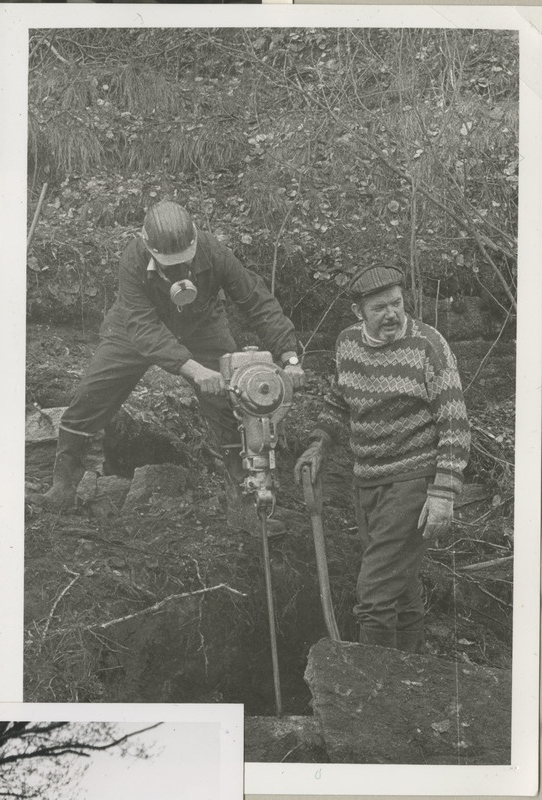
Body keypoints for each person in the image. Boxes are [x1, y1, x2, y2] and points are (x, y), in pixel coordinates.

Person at [40, 200, 305, 532]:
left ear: (194, 241)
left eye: (185, 263)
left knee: (233, 405)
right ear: (149, 247)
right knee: (91, 395)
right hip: (133, 327)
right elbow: (144, 330)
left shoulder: (214, 251)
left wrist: (289, 357)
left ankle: (245, 507)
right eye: (170, 266)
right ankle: (62, 488)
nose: (179, 272)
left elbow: (257, 301)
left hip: (202, 325)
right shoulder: (133, 259)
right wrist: (194, 370)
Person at [295, 265, 470, 652]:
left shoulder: (429, 345)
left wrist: (443, 493)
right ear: (360, 313)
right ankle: (408, 684)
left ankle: (368, 693)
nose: (392, 314)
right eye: (379, 308)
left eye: (397, 303)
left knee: (374, 595)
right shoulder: (346, 344)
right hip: (367, 481)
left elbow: (455, 424)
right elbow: (339, 401)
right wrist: (319, 444)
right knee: (401, 589)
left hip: (413, 480)